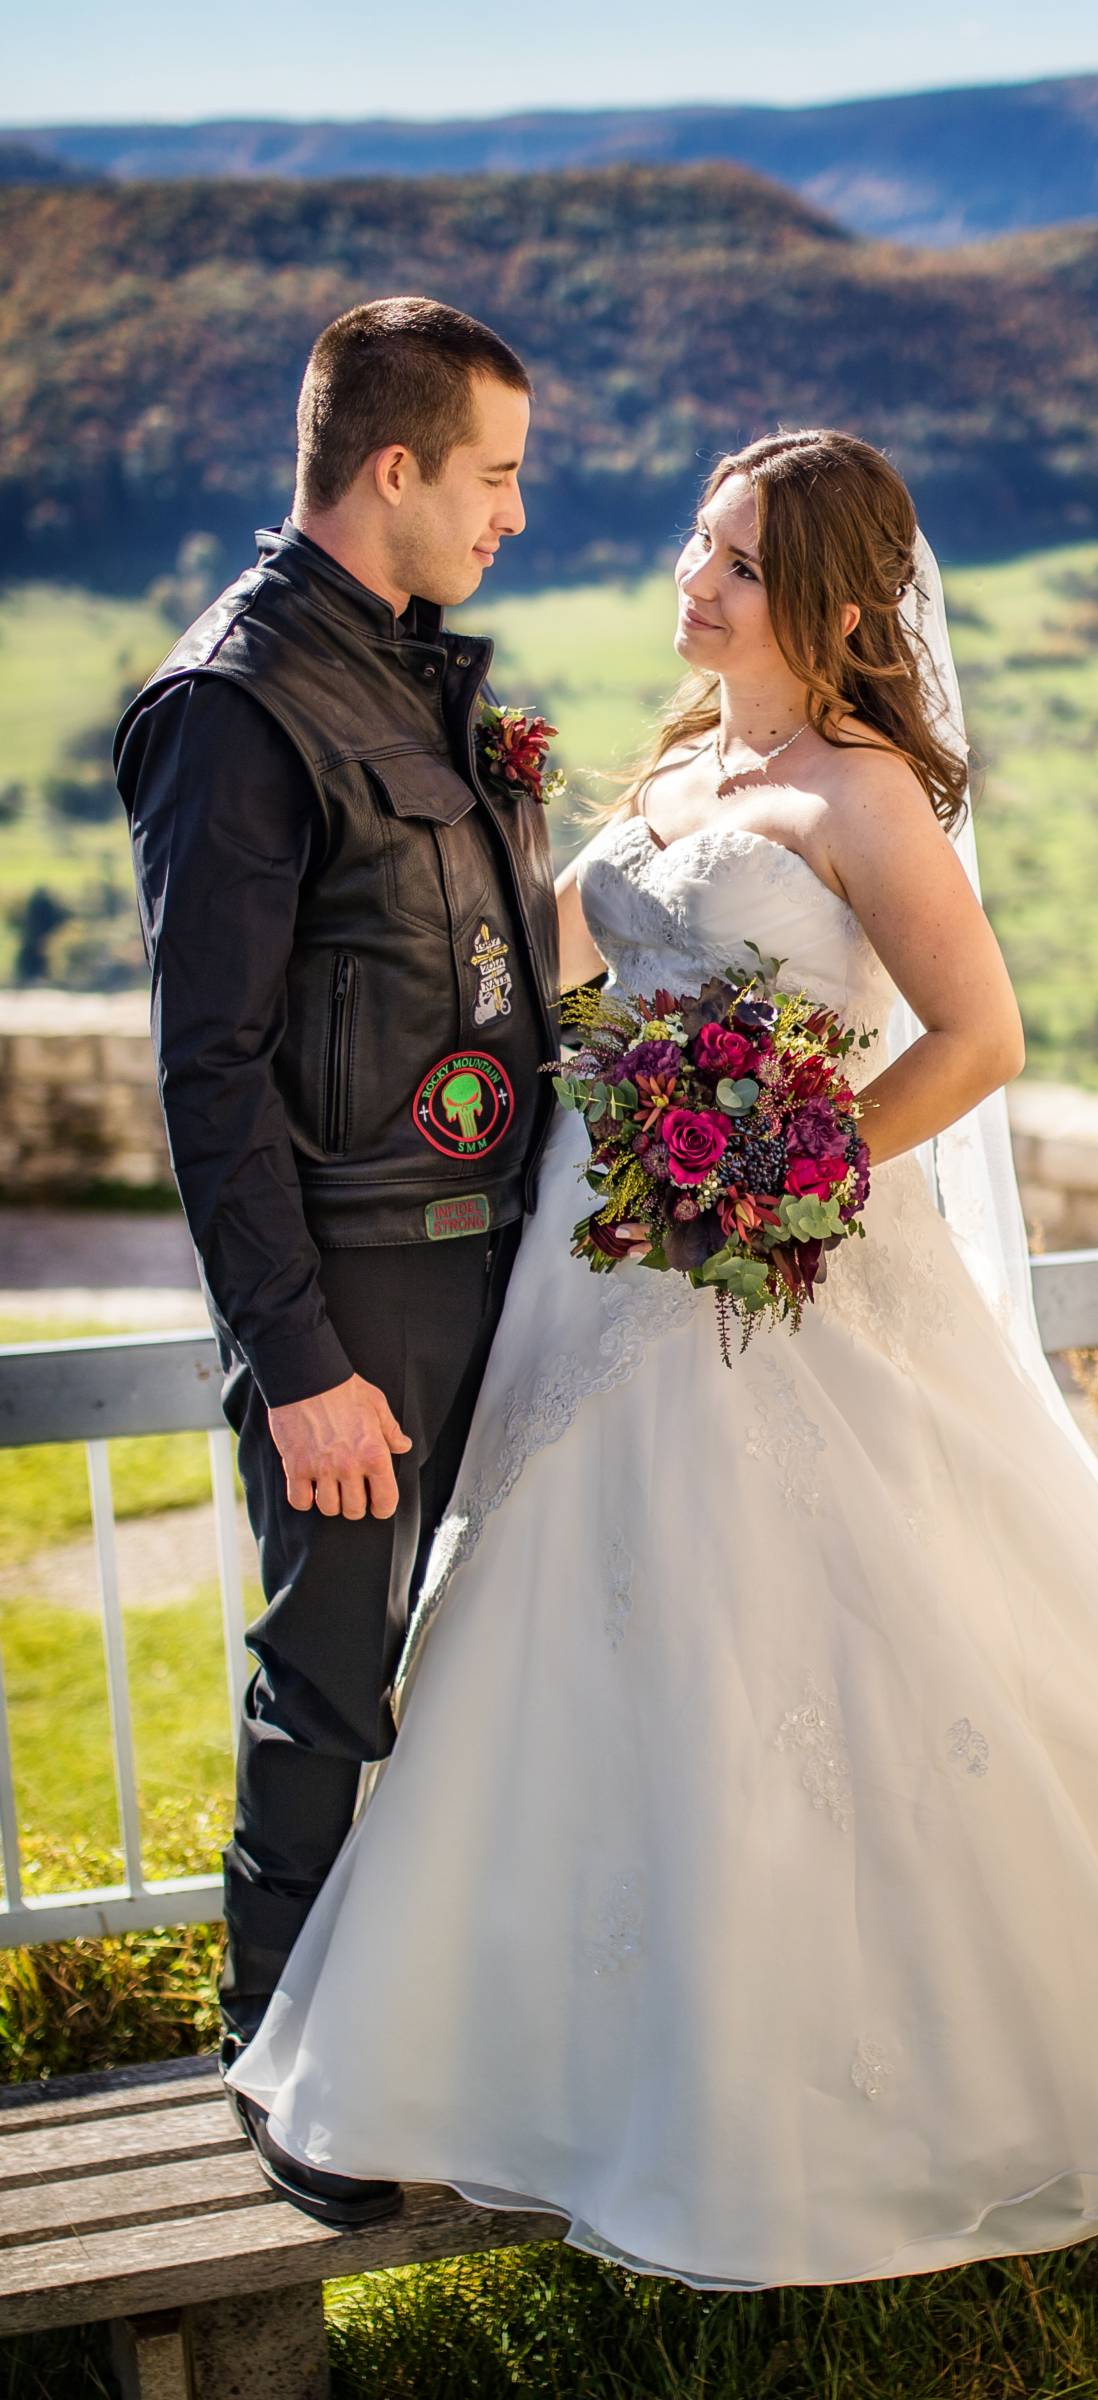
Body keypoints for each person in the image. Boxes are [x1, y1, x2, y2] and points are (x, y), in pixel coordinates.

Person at [222, 429, 1098, 2287]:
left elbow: (979, 1035)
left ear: (835, 606)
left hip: (786, 1287)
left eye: (739, 562)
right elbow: (544, 967)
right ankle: (598, 2059)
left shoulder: (864, 794)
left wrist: (788, 1170)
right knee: (603, 1654)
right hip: (602, 1292)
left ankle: (879, 2080)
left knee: (846, 1668)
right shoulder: (688, 765)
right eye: (698, 540)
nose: (695, 578)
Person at [114, 296, 565, 2228]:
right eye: (495, 477)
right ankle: (279, 2064)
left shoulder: (403, 671)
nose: (516, 519)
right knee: (329, 1681)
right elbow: (206, 1075)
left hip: (503, 1272)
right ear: (394, 470)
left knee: (509, 1659)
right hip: (361, 1299)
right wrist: (299, 1361)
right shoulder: (237, 707)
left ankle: (450, 2024)